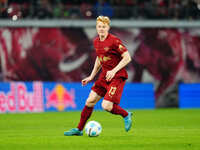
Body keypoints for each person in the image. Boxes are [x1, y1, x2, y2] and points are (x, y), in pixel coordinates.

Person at [64, 16, 133, 136]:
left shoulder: (114, 41)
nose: (101, 29)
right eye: (99, 26)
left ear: (108, 27)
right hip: (104, 76)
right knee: (90, 101)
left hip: (117, 76)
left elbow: (127, 57)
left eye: (104, 27)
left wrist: (114, 70)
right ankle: (79, 130)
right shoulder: (96, 41)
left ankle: (126, 115)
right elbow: (99, 58)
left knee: (106, 106)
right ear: (96, 28)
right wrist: (91, 76)